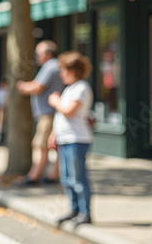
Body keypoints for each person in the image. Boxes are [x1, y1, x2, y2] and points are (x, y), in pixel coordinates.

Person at [49, 52, 95, 228]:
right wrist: (54, 134)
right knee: (67, 178)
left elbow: (69, 111)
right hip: (65, 139)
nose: (61, 74)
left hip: (77, 139)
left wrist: (55, 101)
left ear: (73, 70)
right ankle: (74, 209)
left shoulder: (81, 88)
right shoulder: (70, 88)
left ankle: (85, 212)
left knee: (78, 177)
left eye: (63, 70)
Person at [14, 40, 63, 186]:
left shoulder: (50, 66)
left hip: (48, 113)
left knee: (41, 145)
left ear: (48, 54)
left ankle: (34, 176)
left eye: (38, 53)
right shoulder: (55, 66)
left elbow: (37, 87)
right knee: (52, 145)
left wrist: (23, 86)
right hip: (49, 113)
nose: (36, 57)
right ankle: (52, 174)